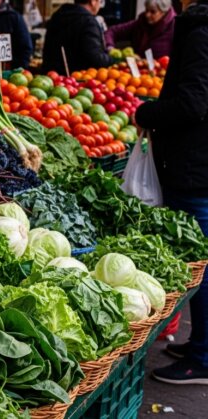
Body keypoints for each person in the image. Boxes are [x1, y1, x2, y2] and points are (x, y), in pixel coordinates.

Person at [135, 0, 208, 385]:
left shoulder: (200, 30)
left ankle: (203, 357)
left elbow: (193, 103)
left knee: (201, 266)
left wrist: (147, 113)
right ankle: (200, 344)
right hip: (198, 163)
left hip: (196, 168)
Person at [42, 0, 114, 73]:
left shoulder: (58, 15)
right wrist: (112, 60)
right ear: (93, 2)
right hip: (77, 79)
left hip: (52, 77)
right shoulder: (88, 22)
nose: (100, 6)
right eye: (100, 1)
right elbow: (95, 59)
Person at [104, 0, 176, 59]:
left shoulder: (175, 27)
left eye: (153, 12)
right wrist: (110, 47)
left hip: (162, 73)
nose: (147, 15)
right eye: (146, 10)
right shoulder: (141, 23)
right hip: (136, 71)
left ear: (164, 12)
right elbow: (112, 31)